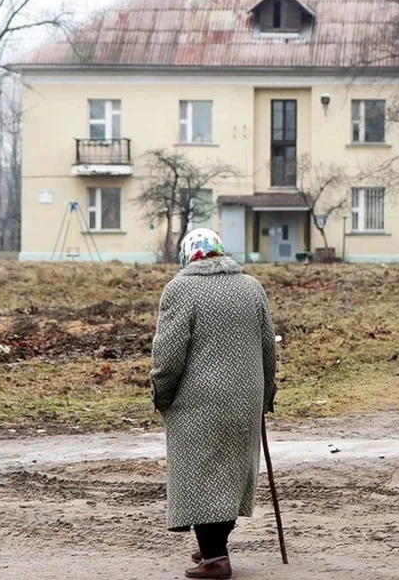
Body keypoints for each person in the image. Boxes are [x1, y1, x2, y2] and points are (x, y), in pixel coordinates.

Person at [150, 228, 278, 580]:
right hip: (245, 397)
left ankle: (215, 558)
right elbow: (269, 348)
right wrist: (266, 394)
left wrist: (161, 393)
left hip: (199, 401)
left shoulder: (180, 289)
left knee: (202, 475)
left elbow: (168, 354)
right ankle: (214, 544)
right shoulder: (251, 287)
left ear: (188, 255)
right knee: (231, 473)